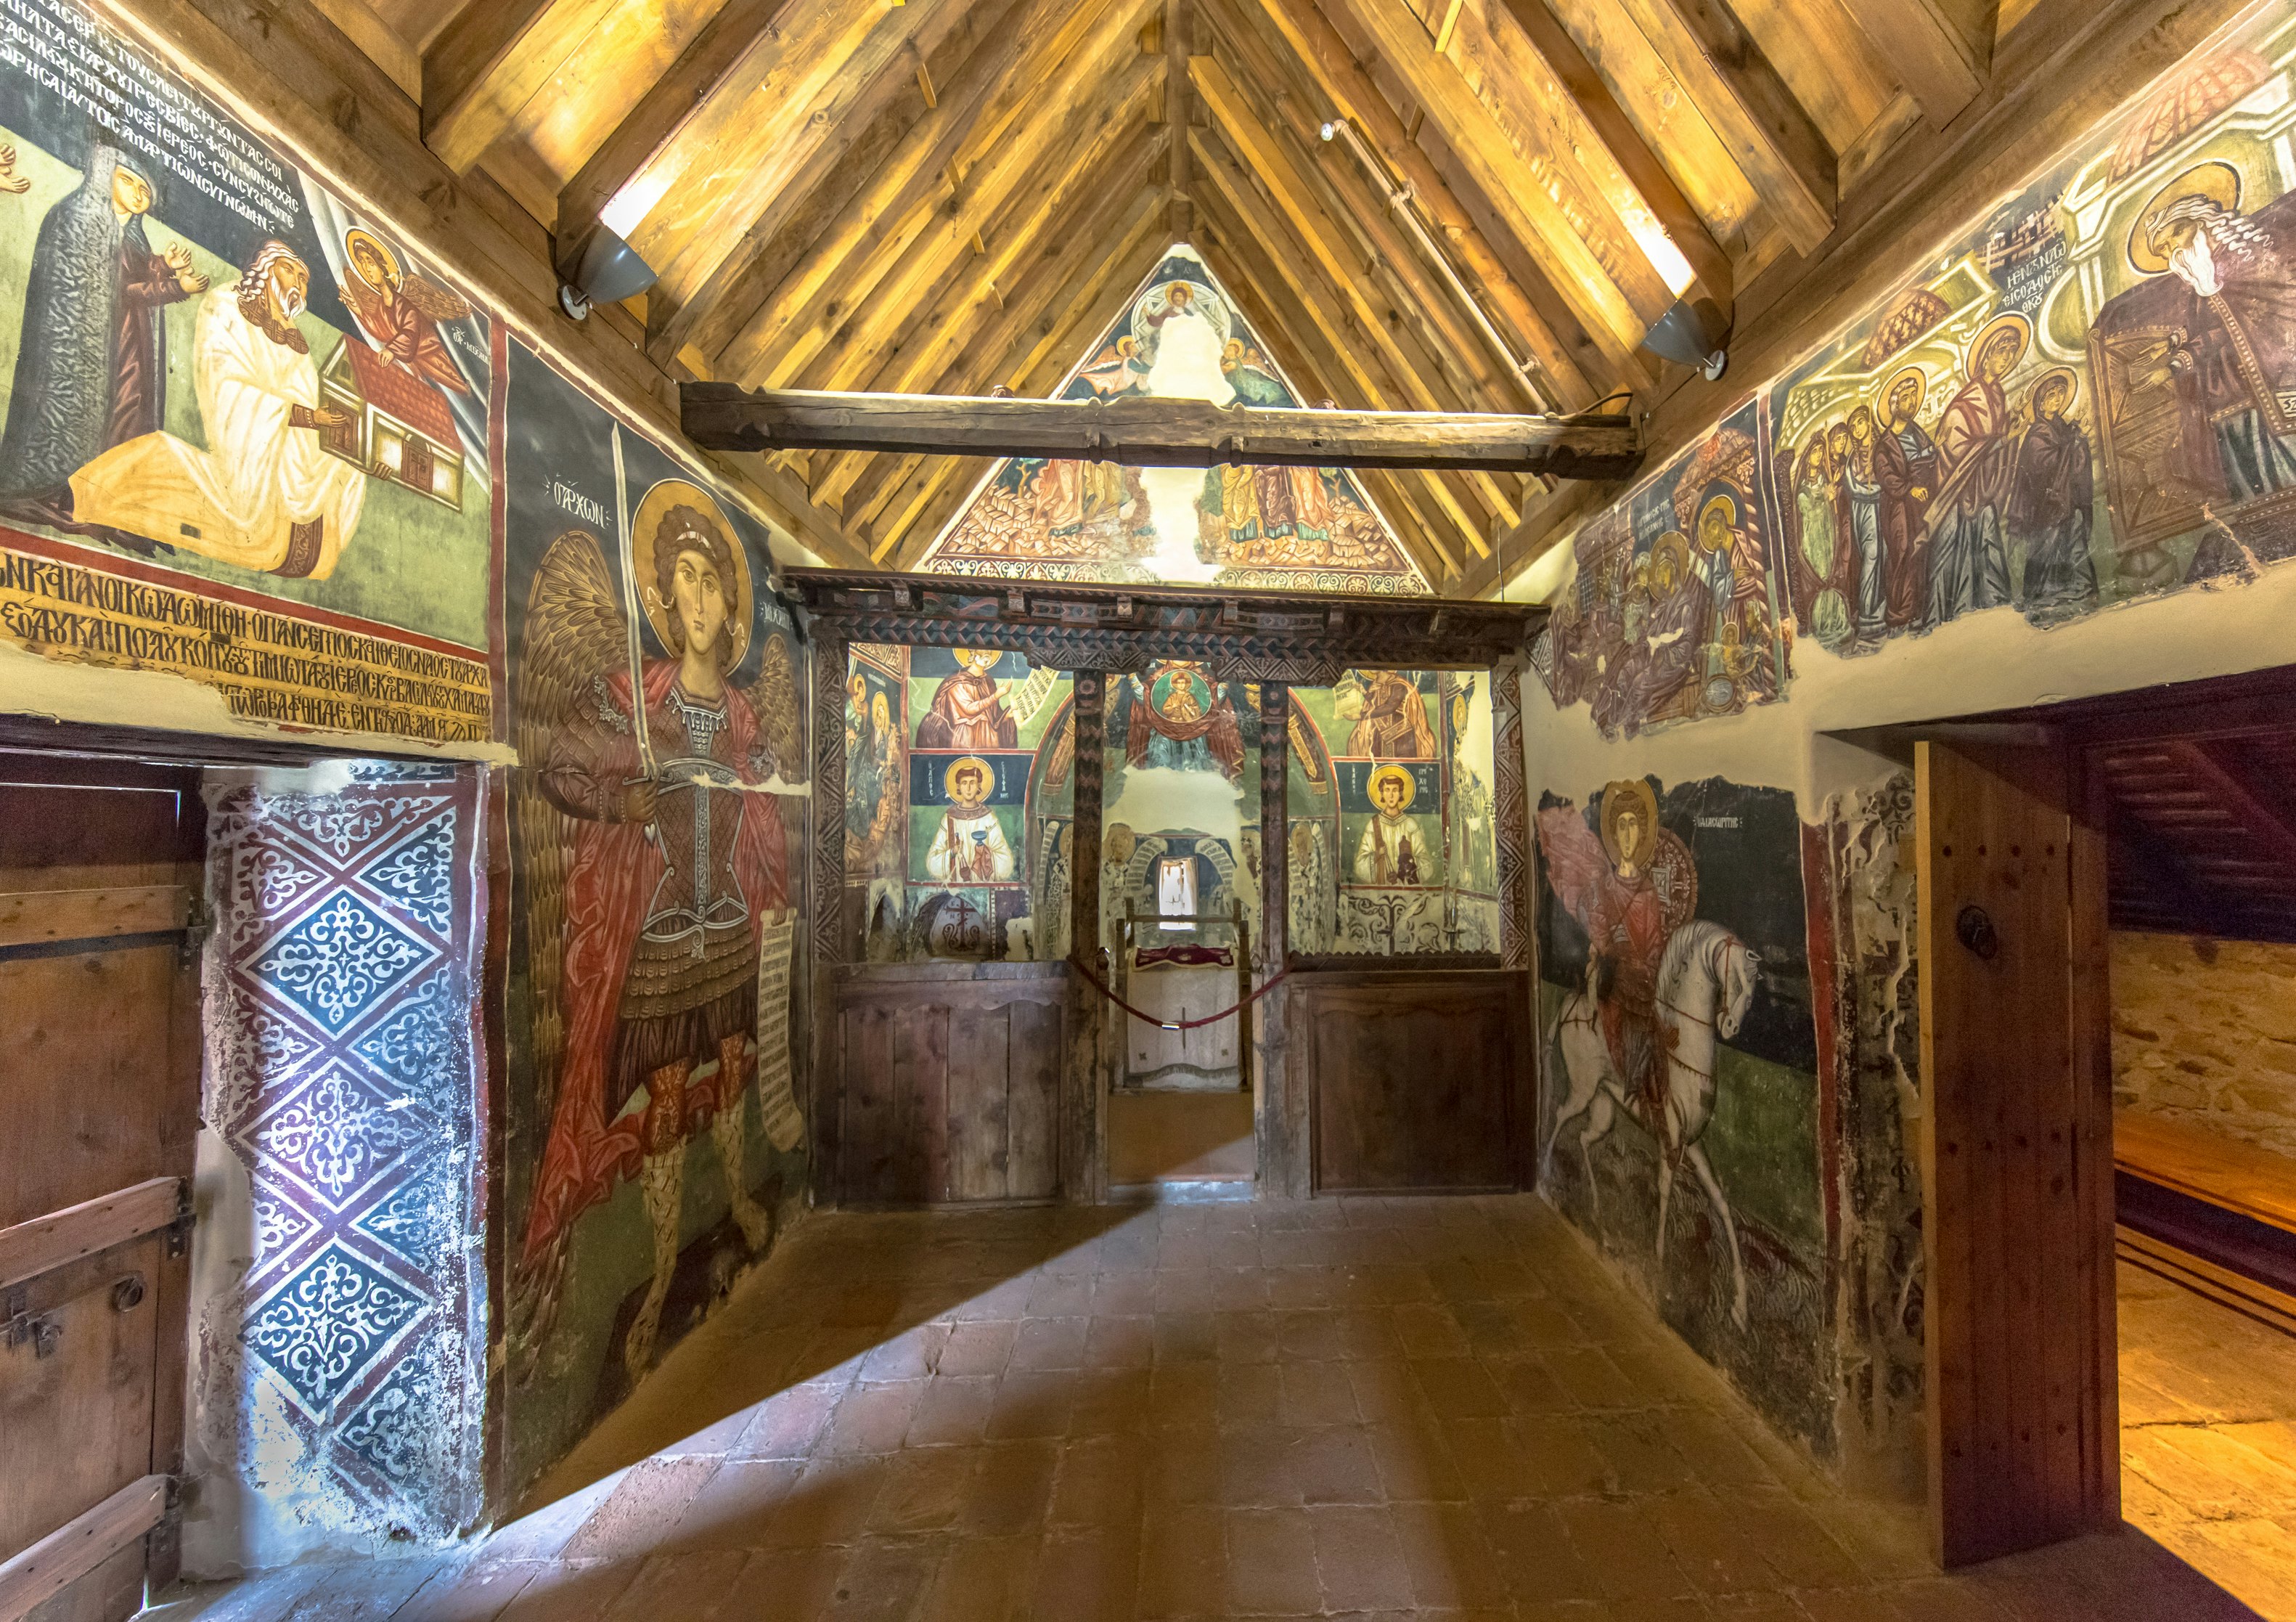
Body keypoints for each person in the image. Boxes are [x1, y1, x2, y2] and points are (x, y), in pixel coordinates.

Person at [521, 504, 791, 1376]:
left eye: (713, 579)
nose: (703, 596)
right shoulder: (634, 697)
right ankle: (667, 1261)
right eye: (685, 581)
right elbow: (557, 764)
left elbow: (766, 788)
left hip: (729, 924)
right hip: (663, 923)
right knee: (669, 1094)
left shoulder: (742, 715)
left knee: (735, 1068)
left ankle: (743, 1197)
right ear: (665, 602)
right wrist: (618, 801)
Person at [69, 241, 367, 577]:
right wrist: (306, 417)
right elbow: (227, 386)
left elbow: (307, 400)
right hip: (248, 449)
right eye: (290, 270)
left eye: (304, 277)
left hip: (289, 451)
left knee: (347, 461)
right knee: (152, 470)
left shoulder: (295, 338)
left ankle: (300, 548)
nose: (299, 282)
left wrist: (361, 448)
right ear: (265, 270)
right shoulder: (227, 305)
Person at [0, 146, 207, 537]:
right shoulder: (78, 218)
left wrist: (164, 266)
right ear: (102, 176)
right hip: (83, 348)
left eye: (144, 190)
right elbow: (118, 288)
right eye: (126, 179)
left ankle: (108, 500)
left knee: (125, 416)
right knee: (83, 415)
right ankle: (59, 493)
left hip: (126, 345)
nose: (136, 192)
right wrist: (177, 287)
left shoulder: (130, 236)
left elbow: (128, 267)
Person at [1923, 317, 2026, 624]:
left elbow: (1996, 439)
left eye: (2012, 352)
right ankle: (1946, 614)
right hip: (1956, 491)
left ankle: (1991, 601)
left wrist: (2010, 426)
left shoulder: (1998, 396)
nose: (2007, 359)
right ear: (1986, 356)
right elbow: (1957, 448)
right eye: (2001, 351)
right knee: (1950, 552)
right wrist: (2001, 440)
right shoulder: (1967, 400)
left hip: (1982, 489)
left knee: (1988, 542)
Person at [2008, 370, 2100, 618]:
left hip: (2068, 499)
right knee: (2046, 547)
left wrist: (2078, 439)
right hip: (2045, 505)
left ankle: (2079, 587)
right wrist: (2074, 445)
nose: (2057, 399)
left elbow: (2073, 456)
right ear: (2040, 402)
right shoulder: (2036, 433)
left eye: (2061, 394)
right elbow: (2040, 465)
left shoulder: (2064, 428)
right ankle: (2040, 594)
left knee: (2075, 540)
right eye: (2051, 395)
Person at [338, 227, 472, 396]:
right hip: (415, 362)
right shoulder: (381, 304)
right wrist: (356, 308)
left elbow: (411, 330)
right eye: (362, 263)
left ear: (382, 267)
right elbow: (380, 328)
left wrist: (392, 350)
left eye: (370, 263)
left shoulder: (401, 302)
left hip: (432, 355)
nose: (367, 269)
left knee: (454, 388)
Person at [1873, 371, 1940, 629]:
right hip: (1898, 508)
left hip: (1922, 502)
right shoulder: (1885, 444)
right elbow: (1886, 475)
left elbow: (1930, 457)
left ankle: (1919, 609)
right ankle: (1899, 612)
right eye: (1906, 397)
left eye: (1914, 396)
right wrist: (1909, 487)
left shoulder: (1918, 433)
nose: (1911, 402)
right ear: (1894, 404)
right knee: (1902, 552)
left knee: (1921, 550)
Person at [926, 758, 1015, 883]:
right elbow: (932, 861)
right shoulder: (950, 818)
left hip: (983, 885)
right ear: (958, 787)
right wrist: (952, 852)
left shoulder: (988, 818)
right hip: (955, 886)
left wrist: (985, 853)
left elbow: (1006, 861)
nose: (968, 788)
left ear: (979, 786)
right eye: (964, 783)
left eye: (972, 783)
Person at [915, 648, 1018, 749]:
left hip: (989, 735)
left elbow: (993, 716)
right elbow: (969, 709)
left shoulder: (988, 682)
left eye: (989, 653)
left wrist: (1005, 717)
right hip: (966, 735)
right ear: (974, 655)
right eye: (983, 653)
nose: (987, 656)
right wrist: (996, 696)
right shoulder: (958, 682)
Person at [1354, 765, 1428, 885]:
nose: (1391, 795)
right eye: (1387, 790)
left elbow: (1426, 863)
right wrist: (1377, 854)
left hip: (1408, 891)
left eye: (1395, 790)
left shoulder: (1411, 825)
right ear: (1382, 794)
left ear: (1401, 793)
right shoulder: (1373, 825)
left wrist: (1409, 863)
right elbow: (1360, 865)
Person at [1344, 668, 1437, 758]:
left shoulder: (1399, 684)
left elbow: (1390, 707)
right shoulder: (1376, 683)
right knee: (1380, 769)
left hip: (1400, 734)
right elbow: (1377, 704)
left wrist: (1360, 716)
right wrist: (1364, 692)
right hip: (1380, 733)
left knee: (1403, 768)